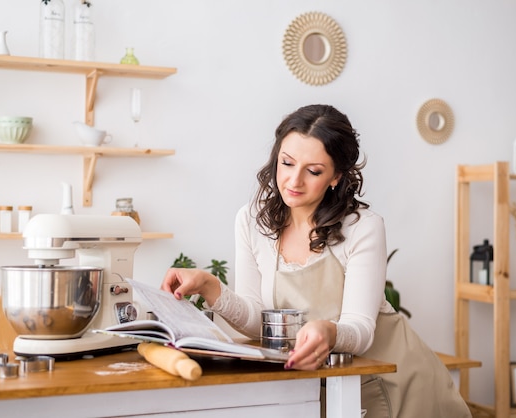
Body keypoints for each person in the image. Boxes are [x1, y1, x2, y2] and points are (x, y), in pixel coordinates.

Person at [162, 104, 471, 418]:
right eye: (286, 163)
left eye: (313, 171)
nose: (294, 181)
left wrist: (330, 333)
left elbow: (361, 330)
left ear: (336, 175)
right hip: (323, 386)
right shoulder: (252, 221)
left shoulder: (363, 227)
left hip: (397, 382)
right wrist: (211, 287)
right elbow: (260, 321)